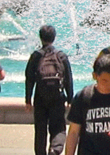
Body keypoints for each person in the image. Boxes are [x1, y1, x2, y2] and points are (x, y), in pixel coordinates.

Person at [25, 24, 74, 155]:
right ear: (54, 37)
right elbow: (68, 78)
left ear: (40, 37)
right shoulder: (61, 56)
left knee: (40, 128)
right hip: (57, 97)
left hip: (40, 97)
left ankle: (40, 152)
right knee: (58, 127)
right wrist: (70, 98)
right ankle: (55, 149)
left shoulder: (36, 56)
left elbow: (29, 78)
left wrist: (28, 99)